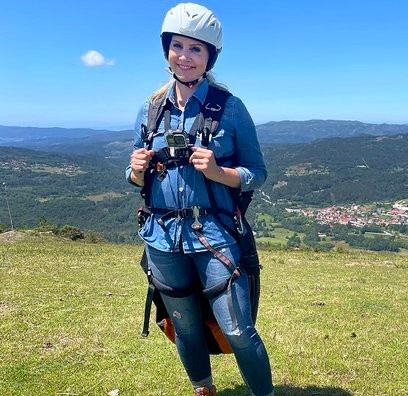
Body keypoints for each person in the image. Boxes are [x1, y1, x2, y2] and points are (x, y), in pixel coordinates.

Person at [126, 3, 273, 396]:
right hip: (161, 236)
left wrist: (218, 173)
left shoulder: (230, 108)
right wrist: (136, 169)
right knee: (185, 326)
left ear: (209, 57)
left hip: (215, 234)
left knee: (238, 329)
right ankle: (202, 390)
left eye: (196, 49)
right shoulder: (151, 108)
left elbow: (256, 172)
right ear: (166, 50)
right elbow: (136, 174)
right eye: (177, 46)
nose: (184, 56)